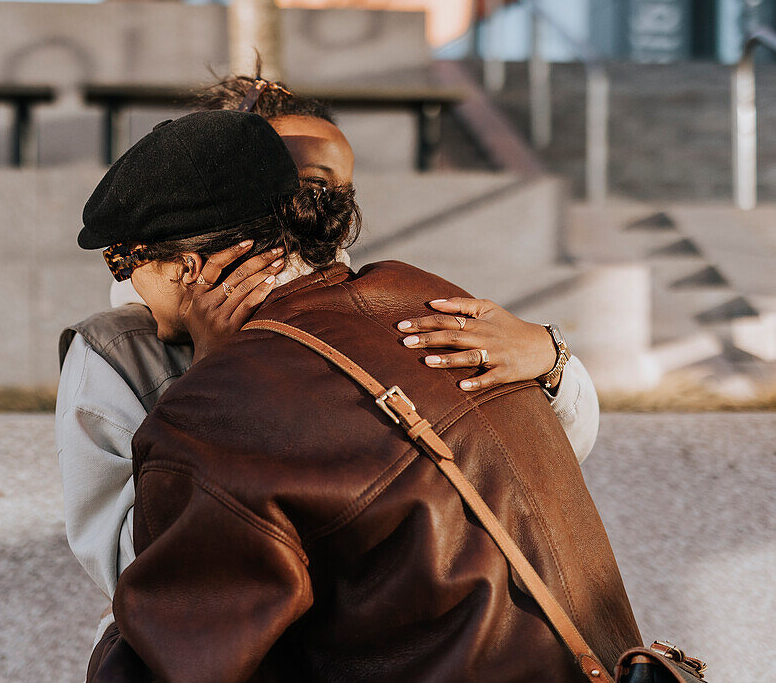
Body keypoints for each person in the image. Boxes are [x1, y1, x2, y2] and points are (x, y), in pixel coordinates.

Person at [77, 110, 641, 681]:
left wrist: (211, 381)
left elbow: (185, 641)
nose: (125, 284)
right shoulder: (433, 299)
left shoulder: (213, 412)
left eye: (123, 260)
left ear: (189, 268)